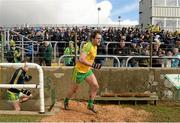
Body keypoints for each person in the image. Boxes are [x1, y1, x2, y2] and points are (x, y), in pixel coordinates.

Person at [64, 30, 102, 113]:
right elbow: (81, 59)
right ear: (92, 38)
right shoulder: (88, 46)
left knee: (95, 86)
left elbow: (89, 59)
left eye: (100, 38)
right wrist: (93, 65)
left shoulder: (95, 46)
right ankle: (66, 101)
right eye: (98, 38)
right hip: (79, 71)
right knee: (74, 90)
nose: (100, 40)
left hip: (87, 70)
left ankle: (90, 105)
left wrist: (94, 65)